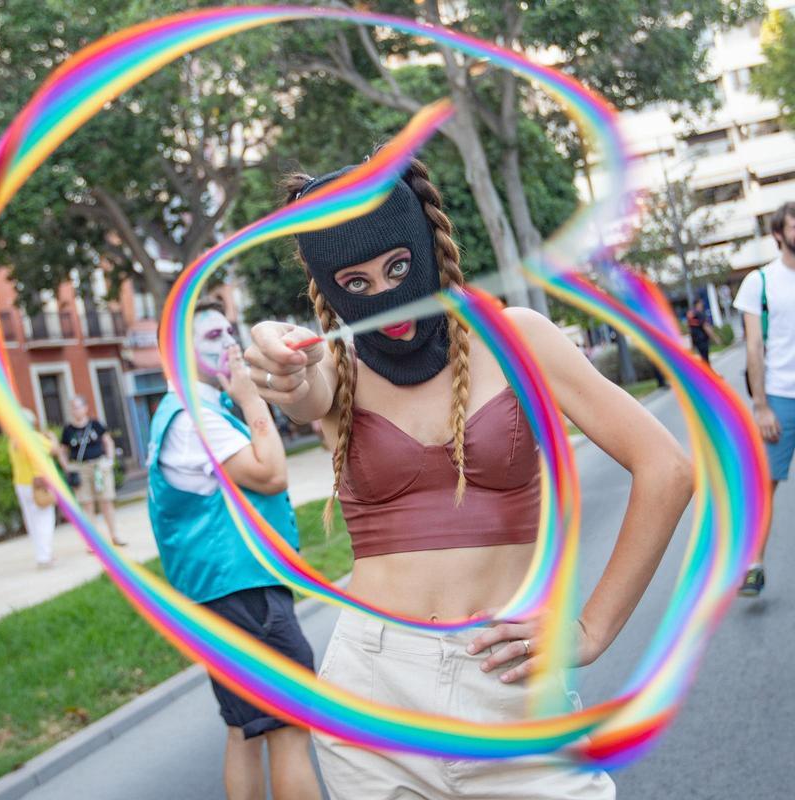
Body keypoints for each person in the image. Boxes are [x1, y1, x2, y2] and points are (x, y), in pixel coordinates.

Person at [244, 159, 693, 799]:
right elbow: (302, 391)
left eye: (399, 268)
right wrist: (277, 361)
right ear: (329, 288)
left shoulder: (519, 340)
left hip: (507, 683)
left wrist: (591, 630)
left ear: (429, 248)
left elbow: (667, 467)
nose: (385, 296)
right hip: (372, 690)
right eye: (356, 281)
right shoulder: (334, 367)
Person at [147, 298, 320, 800]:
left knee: (245, 730)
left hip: (226, 594)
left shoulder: (188, 411)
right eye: (210, 337)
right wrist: (251, 400)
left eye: (228, 331)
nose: (228, 343)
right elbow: (270, 474)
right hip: (244, 593)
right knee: (291, 726)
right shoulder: (194, 418)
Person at [733, 200, 795, 596]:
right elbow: (754, 348)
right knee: (766, 484)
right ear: (778, 234)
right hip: (780, 397)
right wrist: (760, 405)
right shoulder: (759, 281)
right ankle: (753, 564)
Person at [60, 395, 125, 546]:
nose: (75, 411)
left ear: (85, 408)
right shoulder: (68, 430)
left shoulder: (95, 424)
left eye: (78, 407)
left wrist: (110, 460)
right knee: (87, 504)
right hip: (80, 467)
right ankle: (93, 542)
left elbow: (107, 441)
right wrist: (67, 466)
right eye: (73, 408)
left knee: (106, 501)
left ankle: (114, 535)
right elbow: (62, 450)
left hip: (99, 466)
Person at [8, 408, 62, 568]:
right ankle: (45, 557)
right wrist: (52, 437)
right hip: (38, 484)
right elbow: (55, 450)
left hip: (21, 483)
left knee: (32, 521)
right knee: (45, 519)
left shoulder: (14, 441)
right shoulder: (34, 438)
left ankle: (42, 554)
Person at [685, 296, 722, 366]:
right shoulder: (699, 314)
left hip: (696, 340)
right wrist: (715, 338)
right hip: (702, 340)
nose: (702, 305)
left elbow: (689, 328)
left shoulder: (690, 314)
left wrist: (692, 343)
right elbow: (706, 327)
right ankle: (707, 375)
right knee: (705, 360)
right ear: (698, 304)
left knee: (703, 359)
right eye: (701, 303)